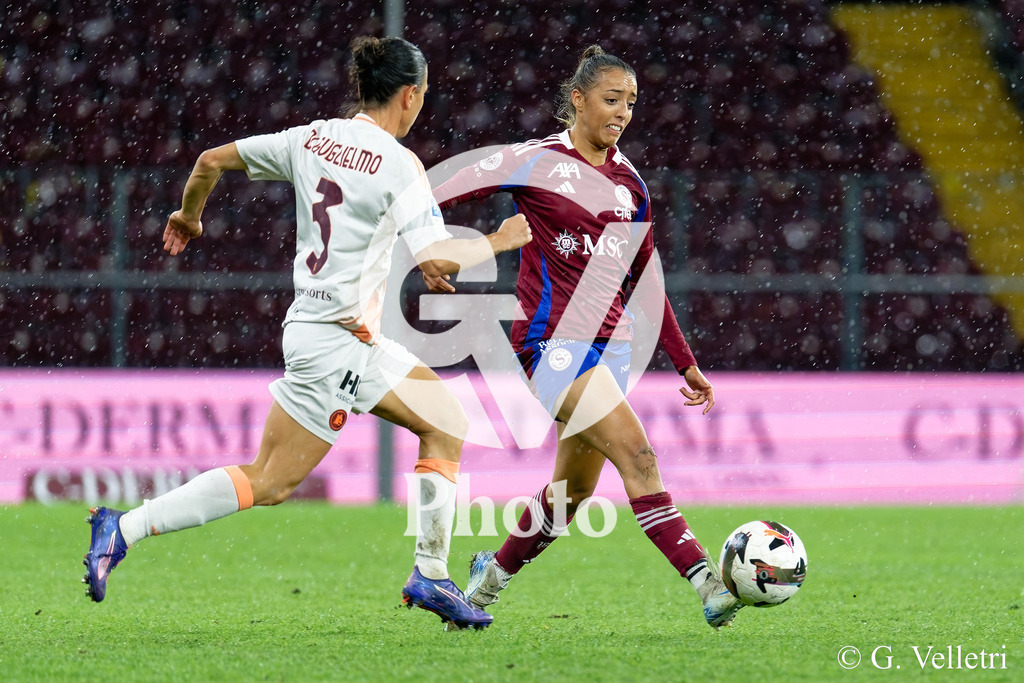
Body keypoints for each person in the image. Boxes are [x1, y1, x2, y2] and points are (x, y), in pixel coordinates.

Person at [81, 35, 531, 631]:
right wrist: (500, 239)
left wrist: (189, 215)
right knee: (269, 480)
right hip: (334, 342)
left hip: (338, 334)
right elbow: (439, 260)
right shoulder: (400, 164)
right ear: (409, 95)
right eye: (423, 96)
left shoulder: (310, 138)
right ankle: (125, 527)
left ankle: (431, 574)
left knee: (445, 421)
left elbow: (209, 161)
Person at [427, 45, 742, 630]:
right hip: (551, 344)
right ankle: (708, 582)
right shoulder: (534, 160)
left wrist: (685, 362)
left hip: (611, 348)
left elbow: (644, 280)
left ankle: (484, 584)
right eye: (611, 99)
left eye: (631, 103)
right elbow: (438, 193)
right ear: (578, 99)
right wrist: (431, 250)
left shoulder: (630, 185)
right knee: (639, 456)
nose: (623, 112)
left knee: (570, 494)